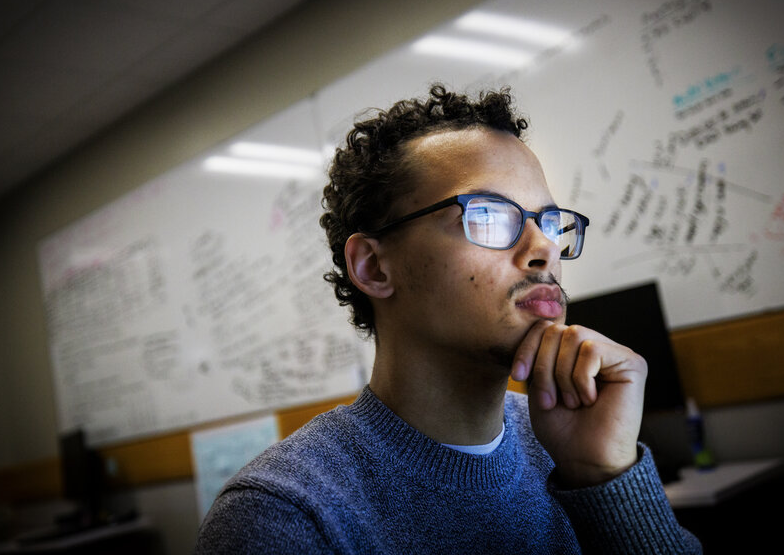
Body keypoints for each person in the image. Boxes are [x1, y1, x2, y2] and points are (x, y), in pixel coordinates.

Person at [194, 85, 701, 554]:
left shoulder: (572, 440)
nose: (544, 248)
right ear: (373, 266)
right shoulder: (281, 516)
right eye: (487, 215)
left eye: (549, 223)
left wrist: (602, 478)